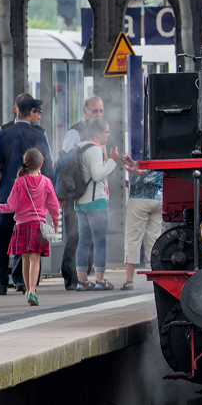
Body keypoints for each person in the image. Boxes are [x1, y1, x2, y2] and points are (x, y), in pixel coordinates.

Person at [0, 95, 53, 295]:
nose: (39, 118)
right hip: (33, 198)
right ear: (31, 112)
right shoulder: (40, 135)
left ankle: (0, 283)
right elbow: (48, 167)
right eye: (37, 113)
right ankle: (24, 282)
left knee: (2, 238)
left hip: (7, 194)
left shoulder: (3, 132)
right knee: (29, 240)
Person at [0, 149, 59, 306]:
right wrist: (55, 221)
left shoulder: (19, 182)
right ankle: (33, 291)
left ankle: (28, 291)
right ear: (41, 164)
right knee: (35, 259)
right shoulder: (46, 182)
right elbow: (53, 204)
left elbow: (10, 206)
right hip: (38, 225)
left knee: (25, 260)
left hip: (21, 225)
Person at [59, 96, 104, 291]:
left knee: (91, 236)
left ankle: (84, 275)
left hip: (94, 194)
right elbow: (64, 164)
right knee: (75, 236)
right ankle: (70, 277)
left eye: (101, 111)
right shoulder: (75, 133)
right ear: (85, 112)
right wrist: (63, 193)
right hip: (76, 194)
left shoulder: (100, 132)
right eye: (95, 111)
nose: (98, 115)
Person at [74, 118, 118, 291]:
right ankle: (100, 279)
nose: (108, 134)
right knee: (100, 241)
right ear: (98, 133)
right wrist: (113, 160)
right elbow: (98, 175)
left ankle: (82, 280)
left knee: (83, 241)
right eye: (106, 131)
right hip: (96, 202)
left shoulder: (80, 147)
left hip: (80, 202)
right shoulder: (94, 150)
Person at [121, 156, 162, 291]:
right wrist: (135, 164)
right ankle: (157, 278)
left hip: (140, 198)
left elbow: (145, 171)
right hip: (159, 197)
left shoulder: (153, 146)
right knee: (154, 239)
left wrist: (134, 169)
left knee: (133, 238)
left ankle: (129, 280)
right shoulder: (168, 149)